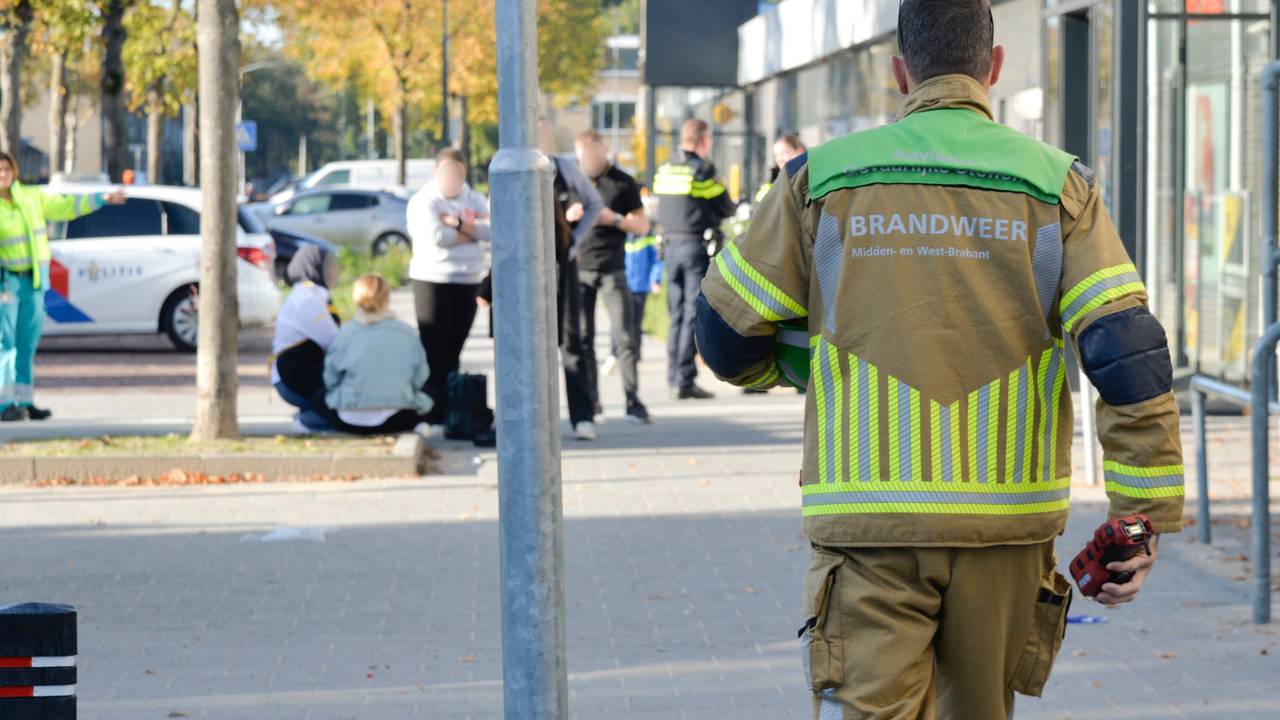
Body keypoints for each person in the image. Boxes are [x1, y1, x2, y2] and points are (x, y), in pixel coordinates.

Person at [695, 1, 1184, 716]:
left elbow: (724, 336)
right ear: (994, 67)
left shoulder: (820, 179)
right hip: (1006, 525)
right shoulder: (1059, 185)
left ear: (900, 72)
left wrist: (803, 369)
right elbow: (1126, 353)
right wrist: (1139, 514)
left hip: (868, 523)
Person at [0, 152, 125, 422]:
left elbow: (66, 206)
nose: (3, 174)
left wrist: (100, 198)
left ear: (14, 170)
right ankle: (5, 403)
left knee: (26, 344)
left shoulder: (30, 197)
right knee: (5, 344)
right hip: (5, 284)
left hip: (33, 282)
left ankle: (24, 400)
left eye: (6, 169)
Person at [571, 130, 651, 424]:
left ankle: (632, 400)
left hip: (613, 268)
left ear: (604, 152)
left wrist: (613, 219)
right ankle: (591, 402)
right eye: (586, 157)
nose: (592, 162)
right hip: (580, 269)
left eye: (596, 155)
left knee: (625, 336)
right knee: (583, 338)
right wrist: (569, 216)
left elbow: (642, 225)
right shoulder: (570, 181)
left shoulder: (621, 181)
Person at [653, 118, 736, 400]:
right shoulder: (701, 170)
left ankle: (673, 375)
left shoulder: (665, 167)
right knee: (691, 312)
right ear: (703, 139)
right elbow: (725, 206)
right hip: (693, 246)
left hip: (669, 247)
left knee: (676, 313)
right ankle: (684, 379)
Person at [407, 147, 491, 424]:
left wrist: (456, 224)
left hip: (468, 280)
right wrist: (470, 229)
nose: (453, 180)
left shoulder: (474, 198)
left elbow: (493, 229)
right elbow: (436, 237)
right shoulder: (424, 200)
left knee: (454, 349)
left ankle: (449, 411)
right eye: (447, 174)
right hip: (432, 279)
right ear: (436, 173)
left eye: (458, 175)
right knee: (433, 349)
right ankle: (429, 410)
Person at [320, 273, 434, 436]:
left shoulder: (345, 333)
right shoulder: (407, 333)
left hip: (347, 419)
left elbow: (330, 379)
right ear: (387, 297)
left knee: (318, 396)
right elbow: (420, 377)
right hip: (396, 418)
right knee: (429, 396)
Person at [552, 153, 604, 440]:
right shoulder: (508, 165)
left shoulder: (562, 168)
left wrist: (573, 242)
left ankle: (582, 415)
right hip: (524, 269)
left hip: (562, 265)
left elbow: (595, 203)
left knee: (571, 339)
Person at [271, 245, 340, 432]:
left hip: (298, 375)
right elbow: (335, 343)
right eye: (330, 265)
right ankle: (310, 420)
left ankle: (312, 414)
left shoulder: (312, 294)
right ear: (313, 267)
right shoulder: (307, 299)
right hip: (291, 380)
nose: (336, 271)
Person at [623, 231, 662, 361]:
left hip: (640, 286)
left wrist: (655, 279)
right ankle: (616, 354)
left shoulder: (647, 233)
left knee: (636, 323)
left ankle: (635, 356)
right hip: (621, 286)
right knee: (620, 323)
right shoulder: (620, 233)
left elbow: (656, 259)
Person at [754, 134, 807, 204]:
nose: (779, 159)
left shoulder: (811, 179)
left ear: (800, 151)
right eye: (776, 155)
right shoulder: (769, 187)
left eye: (784, 153)